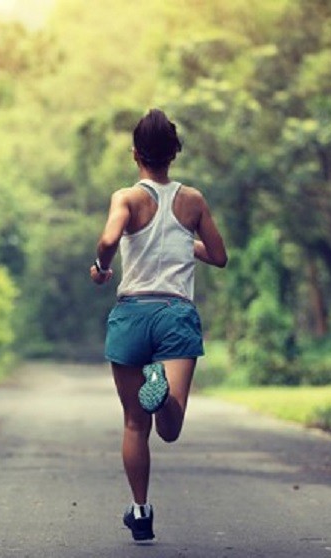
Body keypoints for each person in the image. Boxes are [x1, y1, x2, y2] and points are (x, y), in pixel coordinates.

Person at [90, 108, 228, 542]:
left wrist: (100, 266)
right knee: (169, 429)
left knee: (134, 424)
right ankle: (163, 394)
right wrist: (188, 241)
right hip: (175, 314)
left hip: (132, 314)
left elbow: (110, 239)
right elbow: (220, 256)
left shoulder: (126, 198)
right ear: (175, 153)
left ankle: (141, 512)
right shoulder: (193, 200)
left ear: (135, 155)